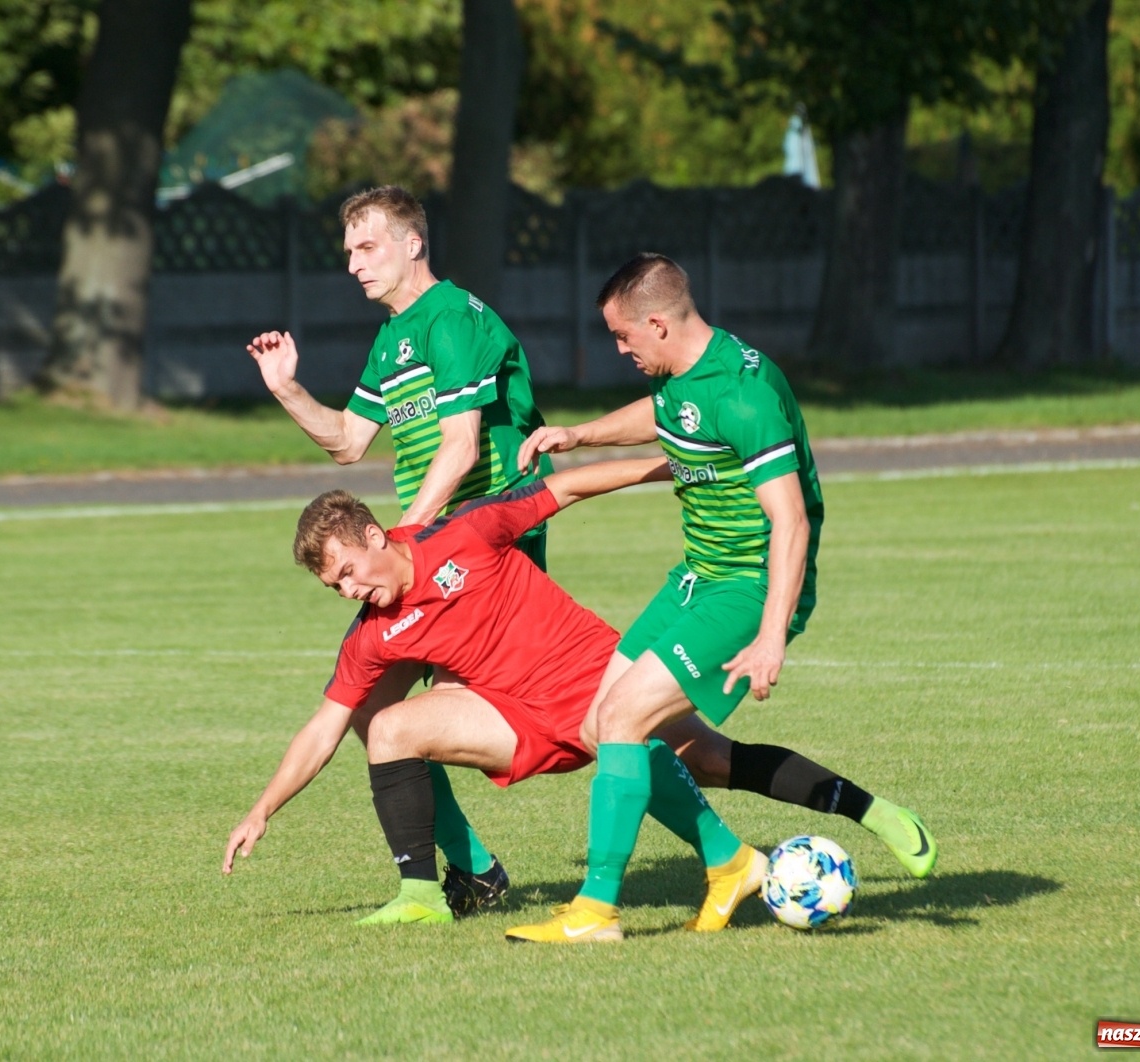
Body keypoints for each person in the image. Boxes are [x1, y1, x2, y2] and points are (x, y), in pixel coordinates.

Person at [224, 458, 935, 933]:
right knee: (386, 730)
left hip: (601, 678)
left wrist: (666, 464)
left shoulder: (464, 534)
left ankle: (873, 813)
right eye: (335, 587)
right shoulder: (373, 632)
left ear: (375, 536)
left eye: (349, 571)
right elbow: (324, 726)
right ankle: (422, 895)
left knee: (716, 758)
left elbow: (567, 488)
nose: (349, 590)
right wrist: (261, 810)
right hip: (515, 717)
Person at [505, 253, 937, 944]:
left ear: (657, 323)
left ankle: (595, 912)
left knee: (620, 720)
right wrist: (578, 435)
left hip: (749, 587)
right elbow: (663, 415)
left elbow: (790, 521)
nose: (618, 349)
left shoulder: (743, 392)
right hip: (697, 578)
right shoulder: (685, 377)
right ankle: (736, 861)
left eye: (623, 337)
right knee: (610, 732)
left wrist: (770, 637)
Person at [246, 185, 554, 915]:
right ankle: (472, 870)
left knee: (570, 719)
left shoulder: (450, 322)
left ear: (413, 244)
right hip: (423, 548)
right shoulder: (395, 337)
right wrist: (287, 389)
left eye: (367, 247)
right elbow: (349, 442)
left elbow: (462, 446)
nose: (353, 264)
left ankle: (710, 843)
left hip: (480, 548)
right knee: (367, 709)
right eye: (348, 252)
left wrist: (405, 539)